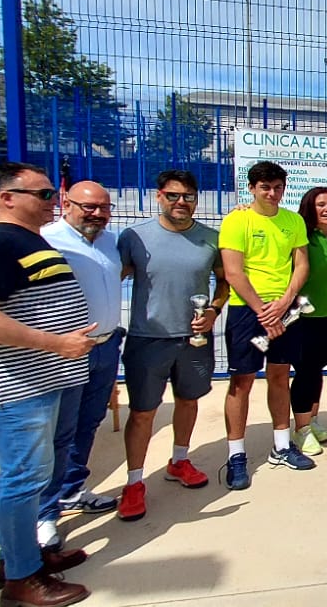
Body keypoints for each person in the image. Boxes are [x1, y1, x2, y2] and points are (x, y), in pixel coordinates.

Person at [0, 162, 94, 605]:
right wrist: (56, 343)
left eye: (53, 193)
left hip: (40, 384)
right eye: (44, 194)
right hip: (13, 390)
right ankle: (22, 578)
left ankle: (22, 556)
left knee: (36, 475)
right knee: (23, 479)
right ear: (7, 198)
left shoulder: (28, 241)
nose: (54, 200)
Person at [116, 170, 225, 522]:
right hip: (148, 339)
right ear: (159, 196)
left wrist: (213, 310)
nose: (181, 202)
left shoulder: (210, 238)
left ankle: (179, 461)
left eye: (188, 196)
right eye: (173, 195)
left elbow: (223, 282)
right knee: (143, 412)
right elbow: (111, 277)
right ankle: (134, 483)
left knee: (188, 401)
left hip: (194, 339)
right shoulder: (134, 237)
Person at [218, 161, 314, 489]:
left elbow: (301, 265)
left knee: (280, 375)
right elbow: (233, 272)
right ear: (252, 188)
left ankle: (282, 446)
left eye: (277, 187)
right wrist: (263, 312)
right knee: (241, 382)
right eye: (265, 188)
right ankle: (236, 455)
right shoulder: (236, 220)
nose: (272, 193)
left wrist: (286, 302)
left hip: (283, 309)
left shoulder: (293, 221)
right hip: (248, 311)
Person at [37, 180, 122, 546]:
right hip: (66, 352)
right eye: (89, 206)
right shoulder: (45, 240)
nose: (97, 214)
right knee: (58, 434)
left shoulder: (110, 241)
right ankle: (45, 513)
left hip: (106, 346)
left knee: (88, 423)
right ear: (66, 203)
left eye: (104, 207)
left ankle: (72, 490)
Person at [290, 186, 327, 453]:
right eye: (321, 205)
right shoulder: (300, 234)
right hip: (304, 317)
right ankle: (301, 430)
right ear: (309, 207)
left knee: (317, 369)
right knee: (305, 371)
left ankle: (312, 420)